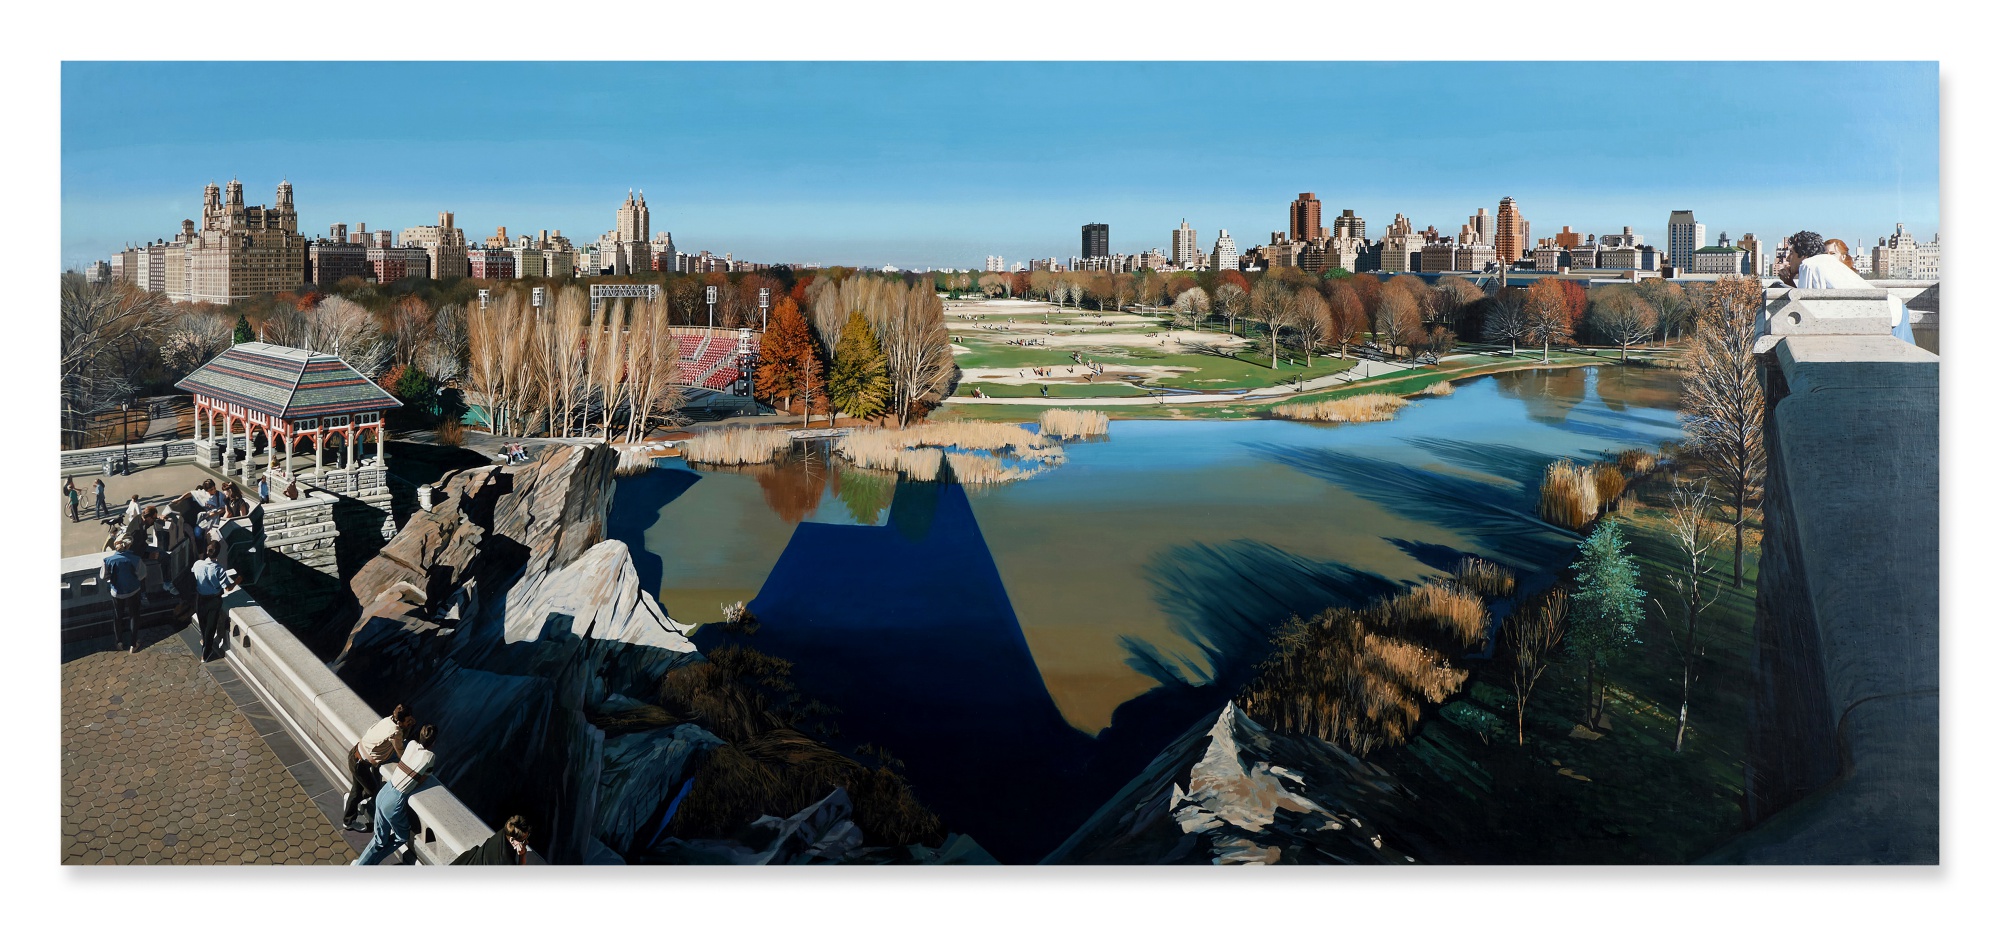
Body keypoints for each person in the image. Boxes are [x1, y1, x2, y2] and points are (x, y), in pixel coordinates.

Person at [353, 723, 439, 865]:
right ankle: (368, 864)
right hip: (395, 799)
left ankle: (361, 865)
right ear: (434, 742)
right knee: (402, 836)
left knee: (379, 840)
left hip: (385, 790)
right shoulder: (430, 757)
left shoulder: (411, 744)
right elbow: (422, 779)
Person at [343, 705, 417, 832]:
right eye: (408, 720)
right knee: (371, 790)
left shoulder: (389, 719)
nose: (410, 722)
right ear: (400, 722)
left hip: (355, 754)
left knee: (357, 790)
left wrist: (408, 725)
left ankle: (350, 806)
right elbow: (401, 753)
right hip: (360, 765)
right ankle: (349, 818)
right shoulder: (395, 732)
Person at [190, 540, 235, 662]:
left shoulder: (198, 564)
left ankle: (203, 640)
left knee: (203, 622)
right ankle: (205, 653)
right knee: (211, 626)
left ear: (206, 551)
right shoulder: (219, 569)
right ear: (218, 554)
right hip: (214, 599)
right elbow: (227, 587)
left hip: (200, 598)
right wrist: (238, 580)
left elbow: (193, 573)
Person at [100, 538, 145, 654]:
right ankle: (133, 644)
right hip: (133, 591)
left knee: (117, 616)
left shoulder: (107, 560)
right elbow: (141, 575)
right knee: (134, 616)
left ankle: (119, 642)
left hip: (117, 592)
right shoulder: (136, 559)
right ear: (128, 546)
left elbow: (104, 576)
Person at [451, 815, 532, 865]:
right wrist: (522, 855)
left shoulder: (503, 832)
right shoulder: (506, 862)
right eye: (523, 840)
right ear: (512, 840)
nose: (526, 842)